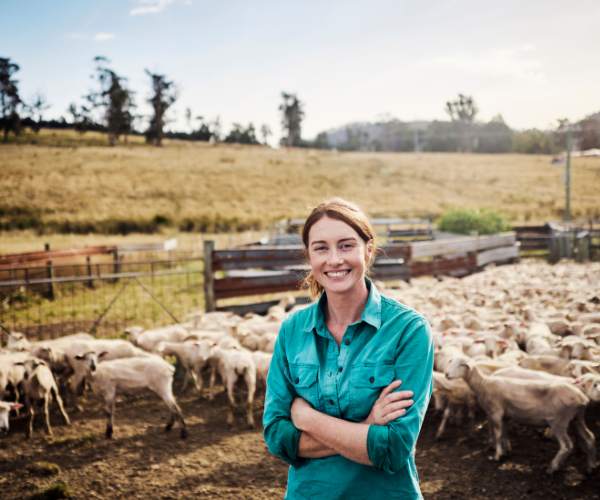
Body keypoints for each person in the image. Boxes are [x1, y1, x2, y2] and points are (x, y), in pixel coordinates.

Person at [263, 198, 434, 499]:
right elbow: (278, 437)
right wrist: (366, 427)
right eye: (321, 248)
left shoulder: (408, 330)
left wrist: (307, 419)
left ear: (367, 250)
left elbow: (393, 448)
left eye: (346, 245)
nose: (334, 260)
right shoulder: (292, 331)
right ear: (309, 256)